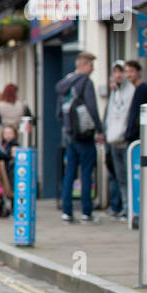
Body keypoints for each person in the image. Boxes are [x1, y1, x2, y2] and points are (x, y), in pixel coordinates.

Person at [55, 51, 104, 223]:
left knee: (69, 173)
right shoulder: (86, 83)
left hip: (69, 136)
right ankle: (86, 212)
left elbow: (59, 112)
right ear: (84, 65)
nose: (92, 69)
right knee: (86, 172)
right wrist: (100, 130)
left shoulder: (65, 84)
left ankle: (67, 212)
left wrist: (67, 129)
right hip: (84, 135)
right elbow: (92, 108)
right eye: (91, 65)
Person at [103, 61, 134, 217]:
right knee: (120, 177)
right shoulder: (115, 93)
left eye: (121, 71)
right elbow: (110, 116)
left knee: (129, 176)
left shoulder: (131, 91)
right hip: (114, 141)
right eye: (115, 72)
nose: (118, 75)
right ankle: (125, 207)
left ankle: (130, 207)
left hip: (126, 140)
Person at [123, 59, 147, 197]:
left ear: (138, 72)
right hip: (134, 138)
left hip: (139, 139)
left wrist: (134, 133)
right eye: (126, 72)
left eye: (131, 71)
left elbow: (142, 116)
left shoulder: (142, 89)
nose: (128, 75)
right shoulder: (135, 89)